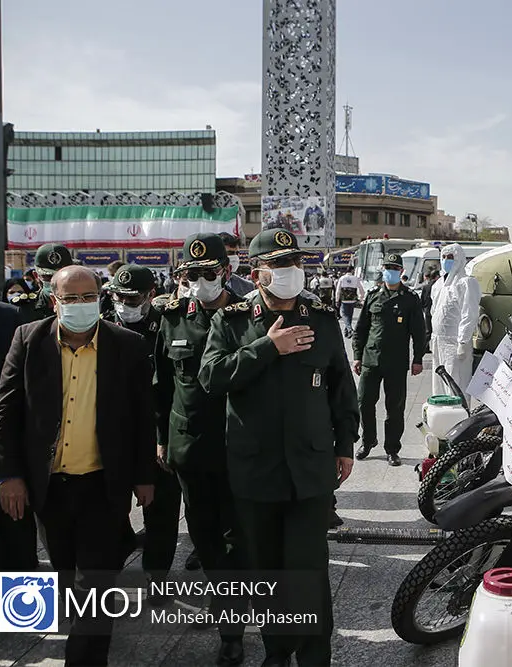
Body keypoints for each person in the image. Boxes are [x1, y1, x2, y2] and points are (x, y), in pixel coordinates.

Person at [200, 229, 359, 667]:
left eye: (295, 264)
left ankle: (312, 657)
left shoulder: (322, 319)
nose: (292, 273)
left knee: (308, 571)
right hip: (255, 471)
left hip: (309, 469)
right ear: (258, 274)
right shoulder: (230, 321)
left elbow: (342, 390)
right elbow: (212, 377)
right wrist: (267, 347)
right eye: (281, 266)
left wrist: (344, 445)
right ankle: (277, 651)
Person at [0, 265, 155, 666]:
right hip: (49, 487)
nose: (81, 305)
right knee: (67, 576)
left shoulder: (127, 345)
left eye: (88, 297)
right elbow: (5, 412)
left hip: (103, 485)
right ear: (54, 301)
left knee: (94, 586)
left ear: (100, 297)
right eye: (71, 298)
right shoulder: (29, 339)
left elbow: (141, 416)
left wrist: (144, 476)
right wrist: (9, 474)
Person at [153, 233, 247, 665]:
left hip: (240, 446)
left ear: (225, 271)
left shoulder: (248, 317)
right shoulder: (172, 317)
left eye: (209, 273)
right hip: (190, 445)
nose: (200, 281)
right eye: (192, 274)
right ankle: (223, 594)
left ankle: (232, 626)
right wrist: (161, 439)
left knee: (236, 538)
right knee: (204, 535)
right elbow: (162, 384)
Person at [104, 264, 182, 606]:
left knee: (161, 513)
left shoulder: (167, 324)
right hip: (113, 437)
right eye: (118, 297)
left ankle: (157, 575)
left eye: (132, 298)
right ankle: (119, 549)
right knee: (108, 507)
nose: (124, 303)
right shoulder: (100, 325)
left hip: (156, 433)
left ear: (151, 295)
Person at [353, 254, 425, 467]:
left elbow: (419, 332)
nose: (390, 271)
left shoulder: (410, 298)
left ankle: (392, 449)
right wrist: (357, 356)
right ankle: (368, 441)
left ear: (401, 272)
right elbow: (361, 329)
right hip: (370, 359)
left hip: (396, 361)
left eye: (394, 268)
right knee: (364, 402)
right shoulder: (373, 295)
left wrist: (418, 359)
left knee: (395, 407)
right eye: (387, 267)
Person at [0, 299, 38, 579]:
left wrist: (11, 471)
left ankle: (27, 618)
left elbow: (20, 398)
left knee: (14, 543)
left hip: (1, 456)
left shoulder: (9, 320)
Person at [430, 243, 480, 398]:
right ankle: (442, 420)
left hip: (455, 344)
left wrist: (463, 342)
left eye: (450, 257)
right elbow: (434, 311)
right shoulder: (439, 284)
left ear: (459, 259)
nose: (446, 260)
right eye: (443, 257)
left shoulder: (466, 283)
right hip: (439, 341)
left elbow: (469, 313)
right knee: (439, 385)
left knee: (456, 384)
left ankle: (459, 418)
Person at [14, 243, 74, 322]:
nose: (54, 281)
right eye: (48, 277)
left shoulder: (83, 305)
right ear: (36, 276)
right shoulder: (23, 308)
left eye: (60, 277)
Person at [219, 232, 255, 296]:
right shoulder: (203, 285)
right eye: (230, 253)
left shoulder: (248, 287)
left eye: (237, 253)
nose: (235, 257)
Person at [336, 266, 364, 337]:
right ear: (352, 271)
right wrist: (361, 298)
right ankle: (347, 332)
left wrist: (337, 299)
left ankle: (349, 329)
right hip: (352, 299)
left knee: (344, 315)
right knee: (349, 316)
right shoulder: (355, 278)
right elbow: (361, 289)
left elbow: (338, 290)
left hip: (344, 300)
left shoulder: (342, 278)